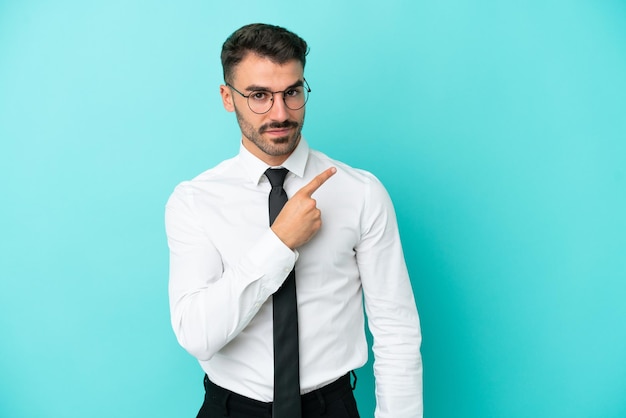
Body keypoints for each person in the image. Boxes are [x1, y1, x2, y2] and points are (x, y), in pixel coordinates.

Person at [165, 23, 422, 418]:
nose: (280, 113)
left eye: (292, 92)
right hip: (231, 409)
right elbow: (198, 335)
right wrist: (279, 243)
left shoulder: (361, 192)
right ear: (227, 98)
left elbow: (397, 332)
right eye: (259, 96)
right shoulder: (195, 201)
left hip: (330, 407)